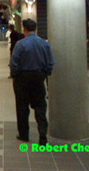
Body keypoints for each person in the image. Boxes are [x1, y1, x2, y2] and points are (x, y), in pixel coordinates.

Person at [10, 18, 54, 146]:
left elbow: (14, 63)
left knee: (22, 107)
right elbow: (50, 62)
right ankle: (42, 133)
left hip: (22, 79)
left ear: (24, 29)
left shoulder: (20, 44)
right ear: (35, 29)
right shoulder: (44, 44)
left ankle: (24, 135)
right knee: (40, 106)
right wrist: (45, 74)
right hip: (38, 77)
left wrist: (14, 76)